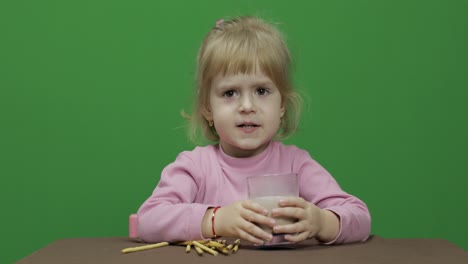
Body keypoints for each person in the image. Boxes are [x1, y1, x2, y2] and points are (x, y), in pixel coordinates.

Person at [137, 16, 371, 246]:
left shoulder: (296, 164)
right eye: (230, 93)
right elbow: (148, 220)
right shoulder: (195, 167)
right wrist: (216, 219)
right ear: (207, 108)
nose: (247, 107)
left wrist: (322, 222)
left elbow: (359, 216)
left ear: (282, 105)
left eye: (261, 91)